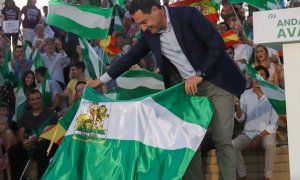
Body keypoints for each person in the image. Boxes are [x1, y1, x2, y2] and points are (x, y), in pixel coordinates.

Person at [86, 0, 246, 179]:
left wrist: (200, 74)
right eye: (140, 24)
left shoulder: (187, 15)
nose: (143, 28)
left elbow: (216, 44)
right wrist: (102, 80)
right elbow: (131, 57)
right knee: (188, 143)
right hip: (187, 90)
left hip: (216, 83)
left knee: (222, 139)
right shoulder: (149, 34)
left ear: (156, 10)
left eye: (144, 22)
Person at [233, 66, 278, 180]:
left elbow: (274, 123)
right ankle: (244, 176)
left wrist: (260, 137)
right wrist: (237, 105)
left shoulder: (273, 95)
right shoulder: (245, 94)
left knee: (270, 145)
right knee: (232, 145)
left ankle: (267, 177)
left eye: (261, 75)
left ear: (266, 78)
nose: (257, 78)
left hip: (266, 134)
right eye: (255, 76)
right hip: (248, 134)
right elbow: (241, 118)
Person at [8, 89, 58, 180]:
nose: (36, 101)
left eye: (38, 98)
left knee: (42, 148)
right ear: (29, 102)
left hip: (46, 142)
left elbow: (53, 133)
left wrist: (36, 140)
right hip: (30, 143)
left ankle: (42, 178)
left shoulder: (50, 113)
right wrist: (24, 142)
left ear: (41, 99)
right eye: (33, 100)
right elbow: (21, 133)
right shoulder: (26, 115)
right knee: (13, 151)